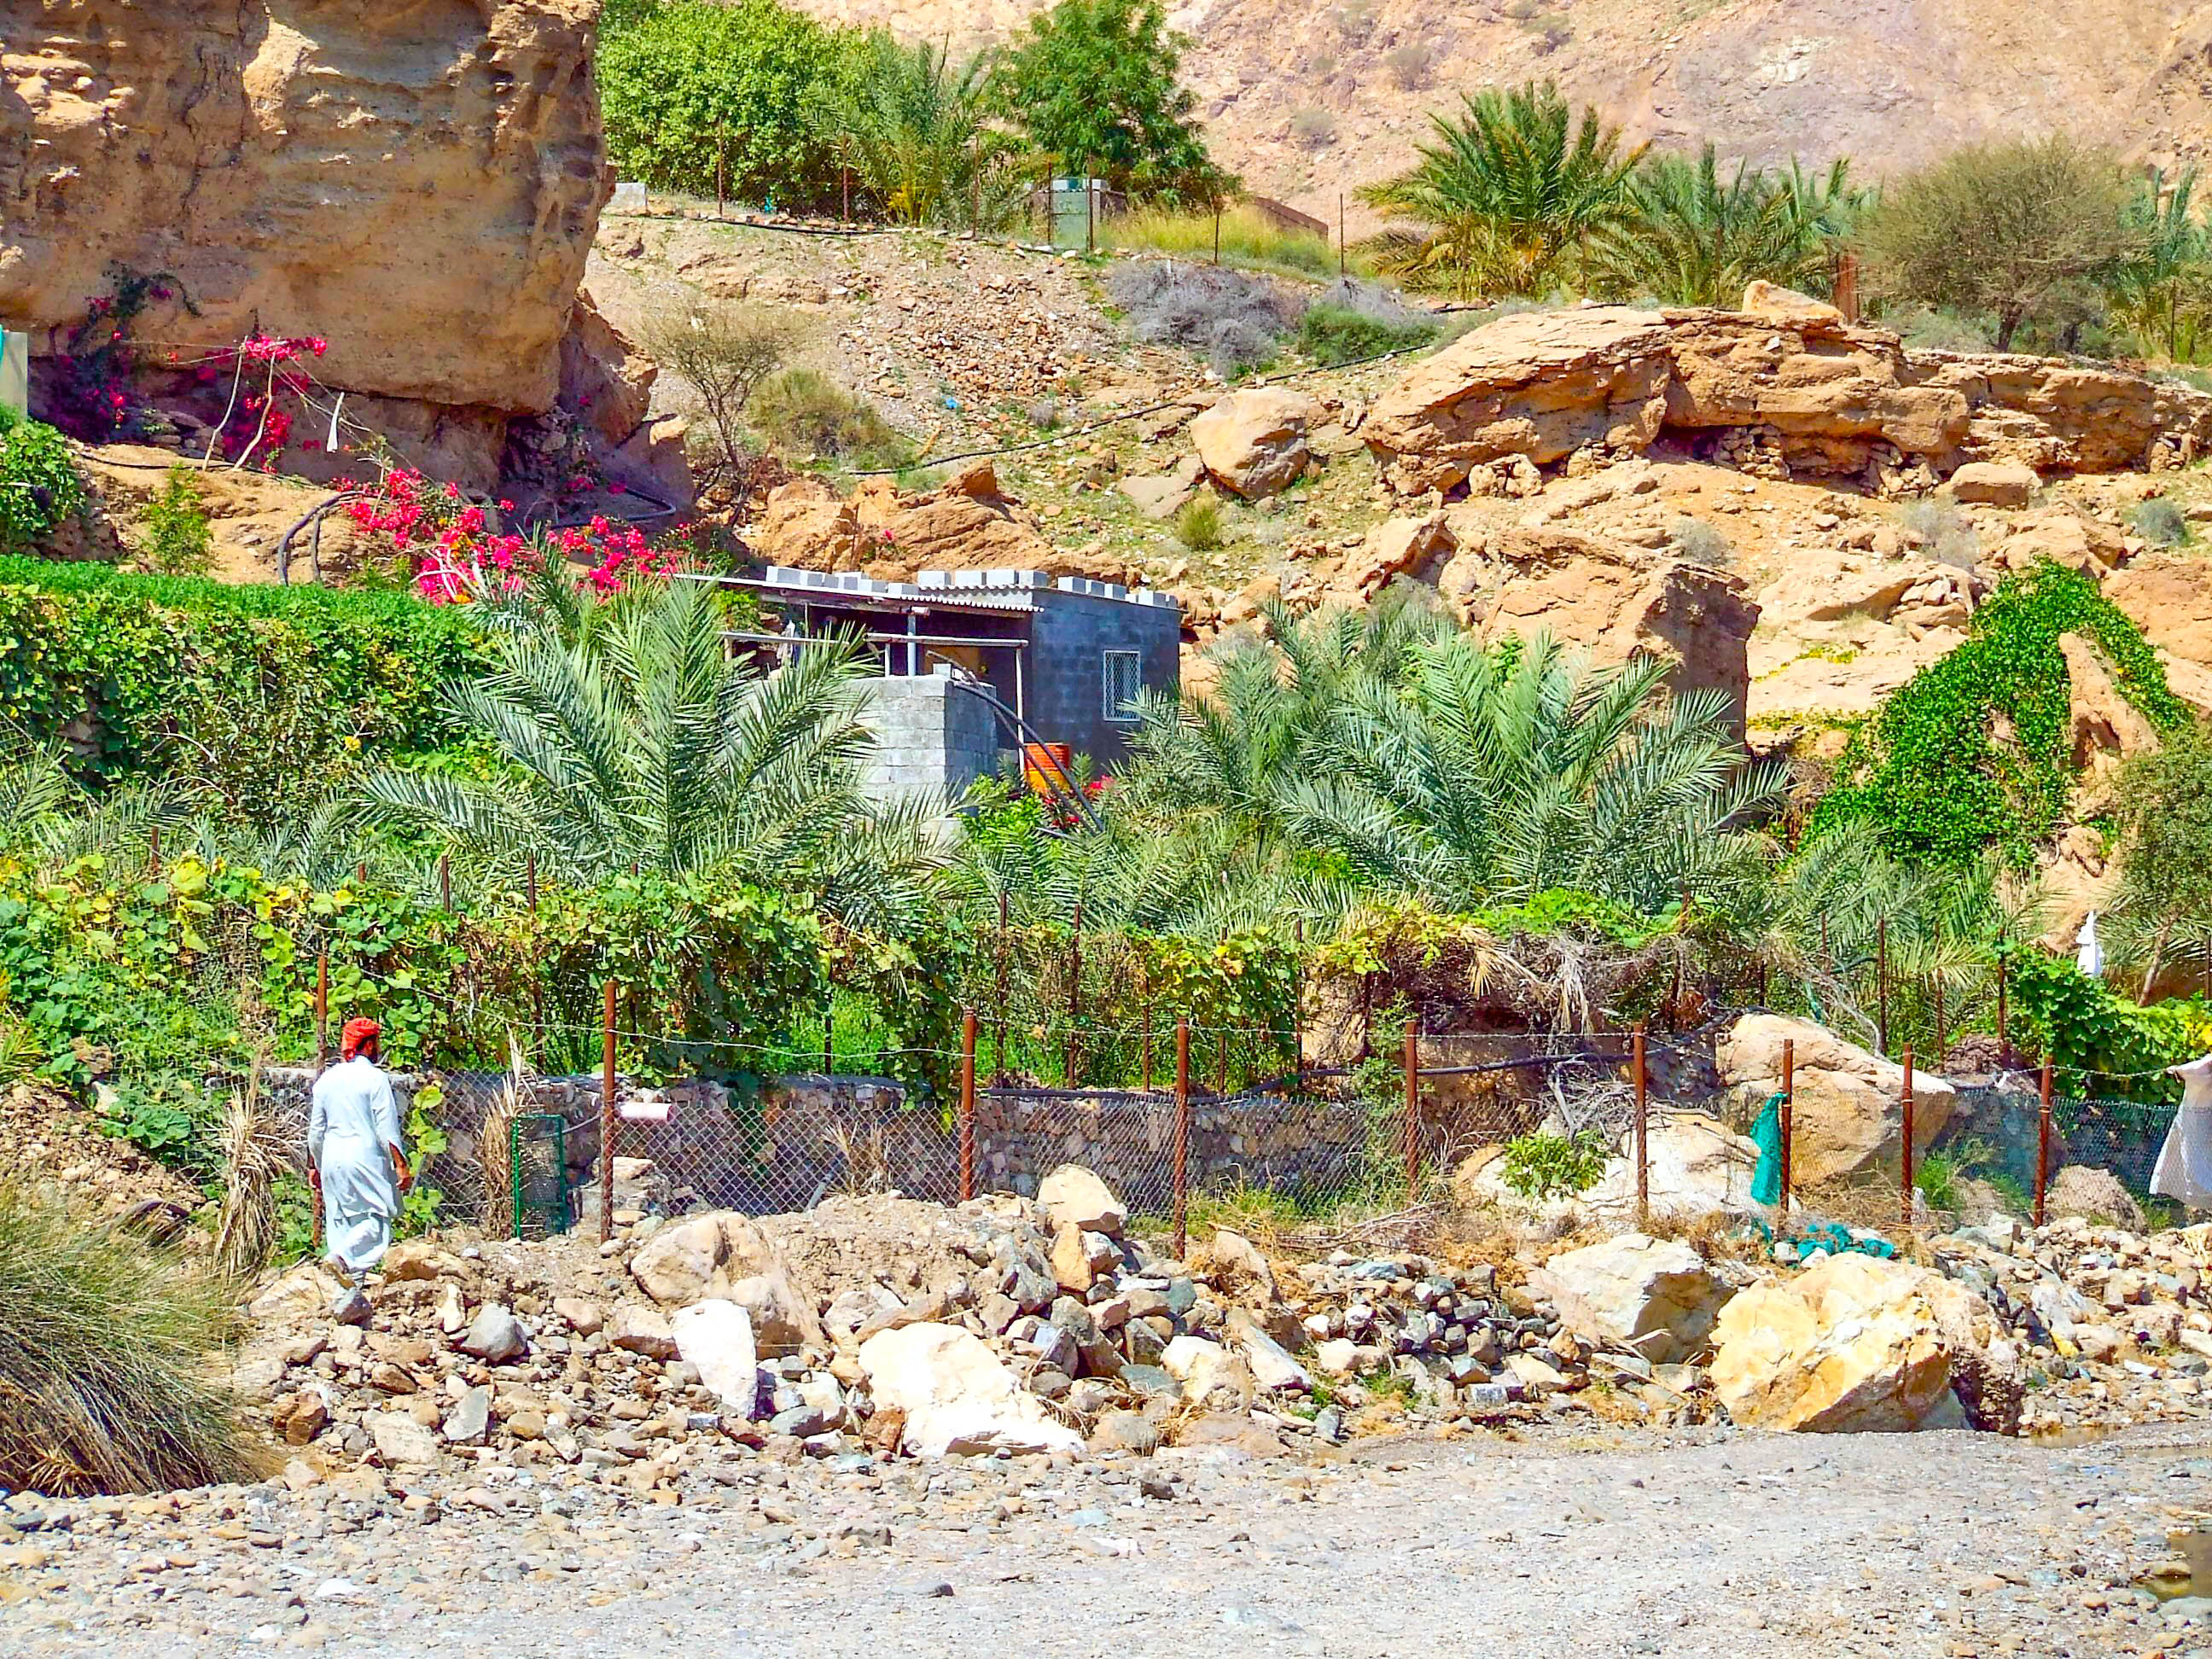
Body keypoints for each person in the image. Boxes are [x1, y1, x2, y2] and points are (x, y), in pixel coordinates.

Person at [307, 1016, 411, 1280]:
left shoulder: (326, 1081)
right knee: (375, 1221)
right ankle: (339, 1258)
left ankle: (349, 1296)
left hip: (331, 1158)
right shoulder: (375, 1078)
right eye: (375, 1043)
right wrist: (400, 1165)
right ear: (367, 1045)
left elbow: (315, 1133)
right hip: (364, 1159)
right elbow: (387, 1128)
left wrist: (316, 1166)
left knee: (341, 1222)